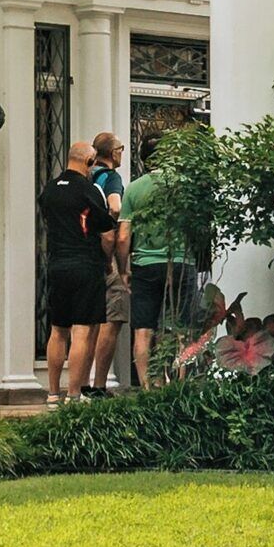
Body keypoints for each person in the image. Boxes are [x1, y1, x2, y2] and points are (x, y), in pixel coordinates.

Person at [34, 140, 117, 401]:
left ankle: (52, 393)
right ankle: (73, 394)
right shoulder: (88, 190)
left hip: (57, 264)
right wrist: (108, 261)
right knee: (82, 330)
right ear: (89, 162)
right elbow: (107, 232)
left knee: (58, 329)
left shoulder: (49, 189)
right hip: (85, 264)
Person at [121, 143, 193, 390]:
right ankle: (179, 384)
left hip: (145, 264)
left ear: (143, 159)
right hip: (181, 262)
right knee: (181, 329)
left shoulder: (134, 189)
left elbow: (123, 236)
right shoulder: (184, 186)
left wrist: (123, 268)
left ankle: (147, 387)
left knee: (143, 329)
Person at [87, 131, 131, 393]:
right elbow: (115, 206)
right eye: (121, 148)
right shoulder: (111, 177)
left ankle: (80, 383)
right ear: (113, 153)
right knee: (112, 318)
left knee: (86, 321)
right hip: (105, 253)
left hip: (82, 253)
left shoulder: (86, 176)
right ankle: (99, 384)